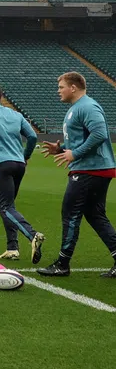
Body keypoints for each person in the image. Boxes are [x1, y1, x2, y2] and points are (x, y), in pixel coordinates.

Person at [37, 71, 116, 279]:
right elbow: (84, 138)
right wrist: (62, 149)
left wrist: (75, 154)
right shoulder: (77, 108)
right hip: (93, 168)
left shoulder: (88, 106)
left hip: (90, 169)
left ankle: (62, 263)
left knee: (70, 213)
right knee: (95, 215)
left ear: (73, 87)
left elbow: (100, 134)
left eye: (61, 87)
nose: (58, 91)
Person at [0, 83, 43, 263]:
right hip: (18, 163)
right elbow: (33, 137)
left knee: (5, 207)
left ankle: (32, 235)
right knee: (9, 207)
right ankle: (12, 247)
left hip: (0, 163)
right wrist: (25, 156)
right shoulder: (15, 114)